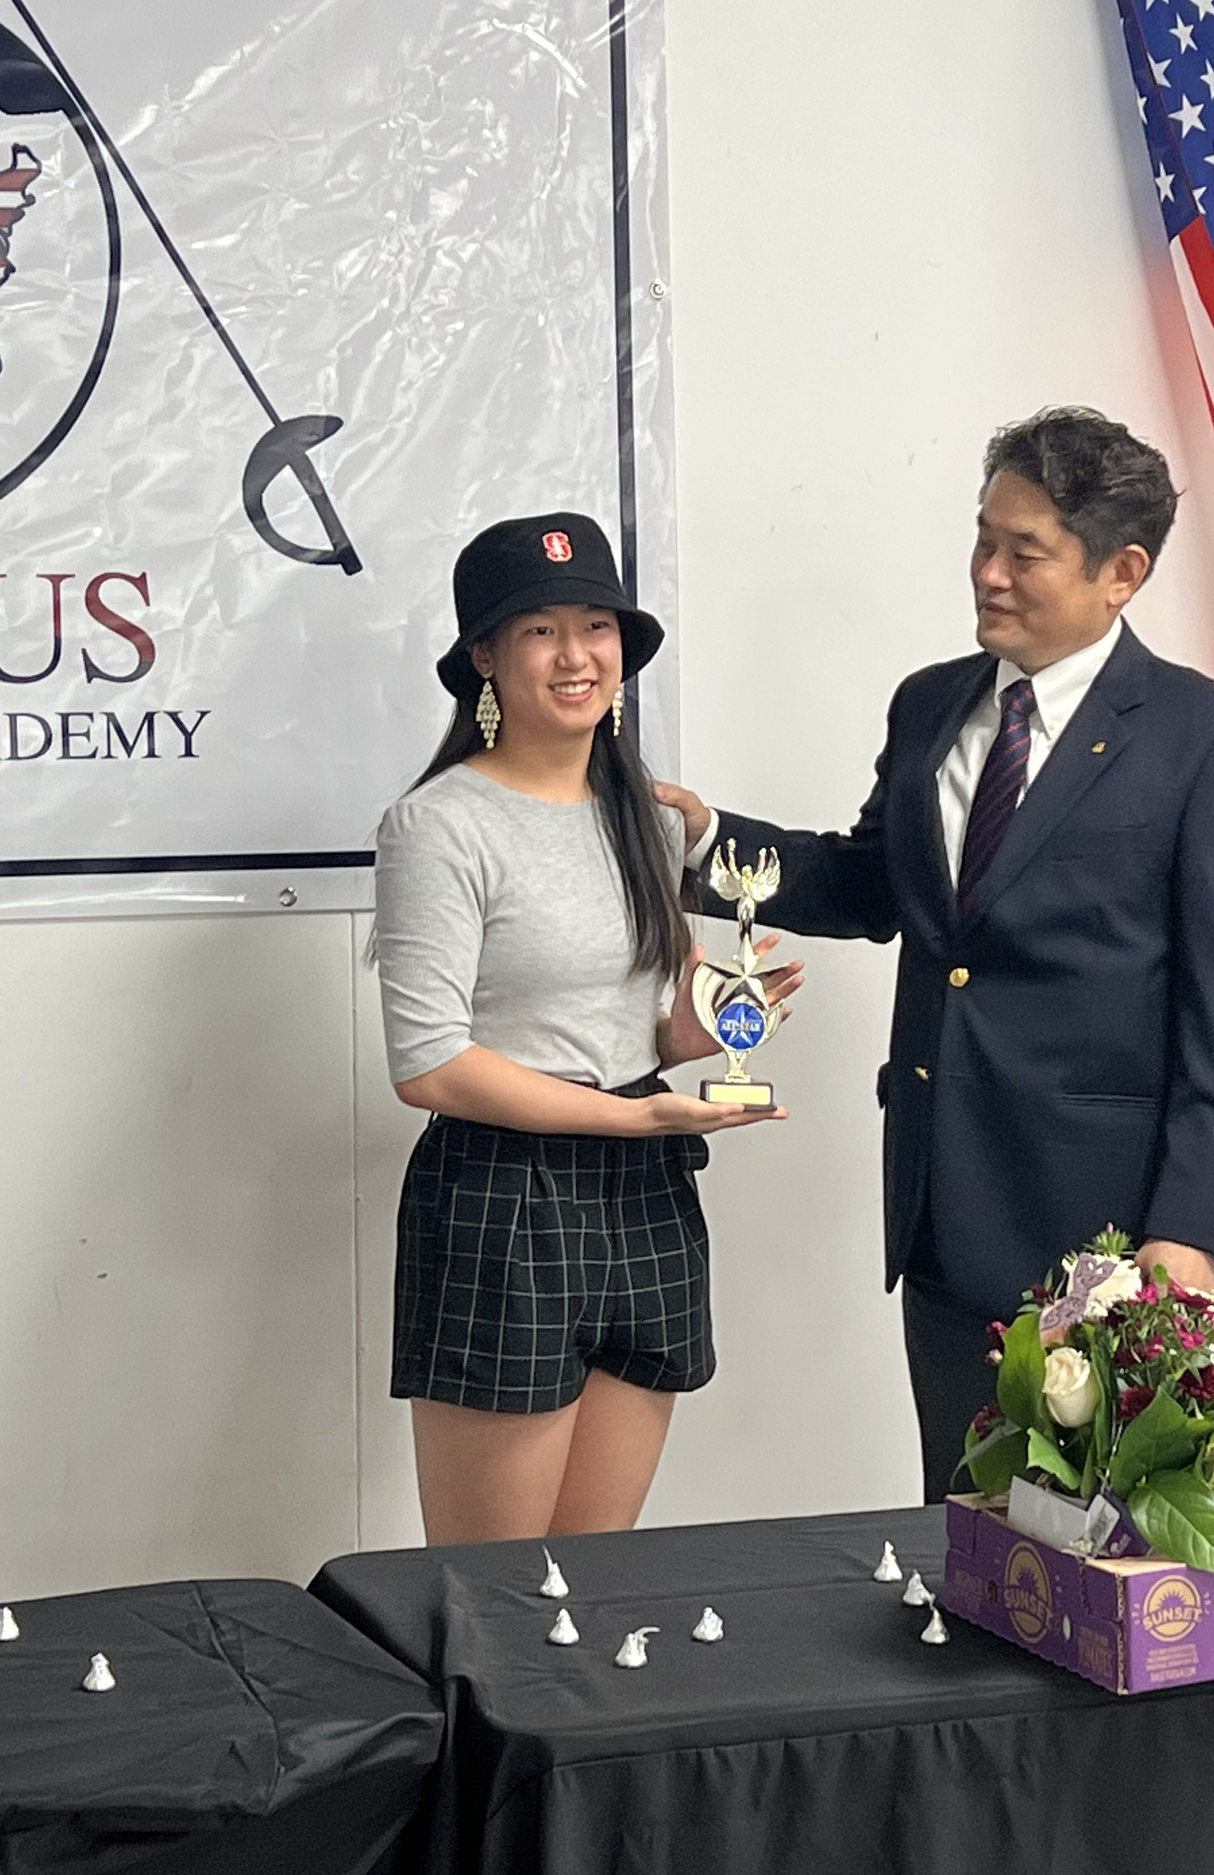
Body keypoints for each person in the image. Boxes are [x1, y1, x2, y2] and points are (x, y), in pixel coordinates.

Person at [656, 409, 1214, 1501]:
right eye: (982, 538)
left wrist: (1190, 1228)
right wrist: (705, 843)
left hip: (1107, 1240)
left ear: (1121, 573)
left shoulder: (1212, 742)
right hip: (944, 1206)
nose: (987, 573)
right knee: (965, 1530)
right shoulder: (931, 706)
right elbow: (873, 884)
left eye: (1024, 552)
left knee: (1100, 1559)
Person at [375, 511, 794, 1545]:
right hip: (503, 1197)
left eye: (596, 626)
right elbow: (427, 1063)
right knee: (493, 1592)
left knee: (595, 1577)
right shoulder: (438, 825)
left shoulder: (649, 817)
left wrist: (688, 1037)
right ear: (485, 656)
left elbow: (623, 1026)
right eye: (538, 630)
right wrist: (632, 1119)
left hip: (643, 1195)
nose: (577, 656)